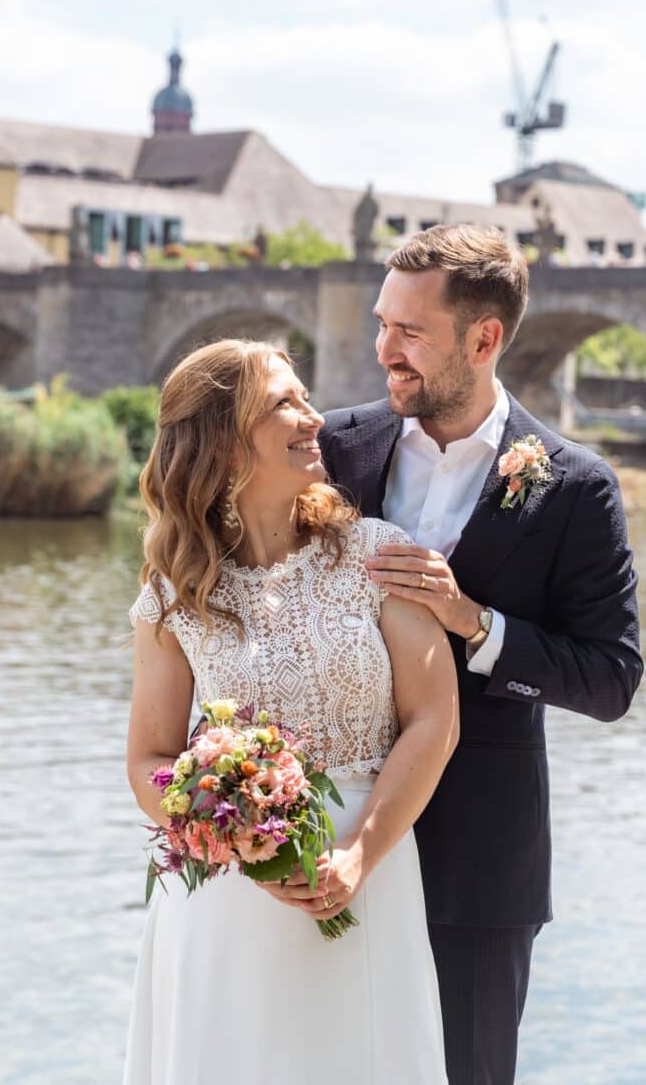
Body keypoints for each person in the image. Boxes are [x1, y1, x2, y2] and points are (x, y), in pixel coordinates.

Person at [319, 224, 644, 1085]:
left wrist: (475, 622)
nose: (384, 348)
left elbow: (612, 680)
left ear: (485, 338)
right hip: (327, 835)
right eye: (382, 322)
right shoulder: (330, 449)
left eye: (411, 332)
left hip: (479, 866)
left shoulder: (574, 486)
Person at [123, 339, 458, 1085]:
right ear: (221, 438)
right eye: (284, 403)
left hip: (366, 879)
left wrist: (358, 857)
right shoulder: (172, 595)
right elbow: (148, 759)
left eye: (304, 397)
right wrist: (228, 834)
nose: (314, 417)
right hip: (226, 898)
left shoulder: (376, 555)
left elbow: (435, 720)